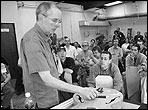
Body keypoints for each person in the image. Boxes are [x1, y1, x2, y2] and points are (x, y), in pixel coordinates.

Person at [20, 2, 99, 109]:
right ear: (40, 17)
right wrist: (81, 90)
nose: (58, 25)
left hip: (52, 95)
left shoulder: (45, 39)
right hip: (42, 101)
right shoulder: (33, 41)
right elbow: (46, 79)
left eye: (59, 21)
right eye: (54, 20)